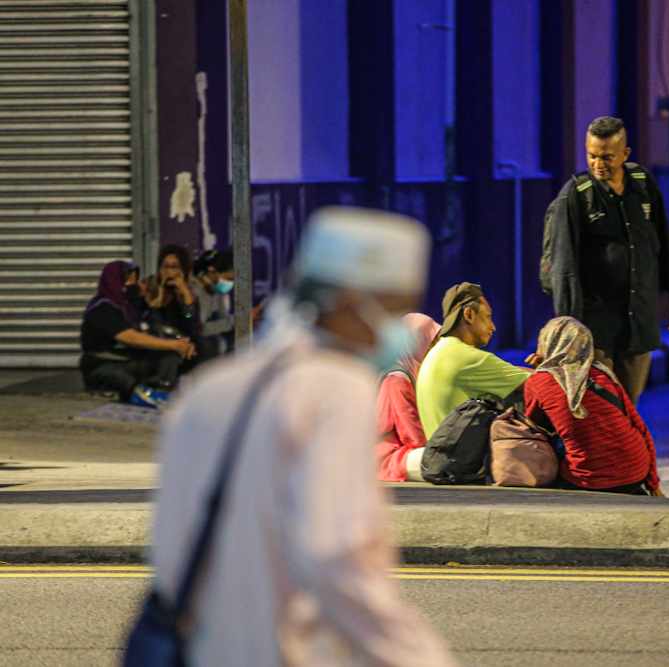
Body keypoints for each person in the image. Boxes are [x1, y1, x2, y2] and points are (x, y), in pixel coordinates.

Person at [151, 208, 456, 666]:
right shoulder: (335, 391)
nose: (401, 328)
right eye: (396, 307)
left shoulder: (209, 388)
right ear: (353, 300)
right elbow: (338, 560)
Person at [544, 115, 669, 403]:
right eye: (592, 156)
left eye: (607, 157)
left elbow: (664, 241)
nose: (598, 164)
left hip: (638, 323)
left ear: (625, 154)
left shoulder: (643, 185)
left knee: (629, 407)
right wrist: (567, 329)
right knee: (601, 409)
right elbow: (563, 268)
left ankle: (628, 450)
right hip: (596, 329)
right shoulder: (575, 196)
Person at [524, 316, 661, 495]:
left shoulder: (538, 382)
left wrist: (540, 369)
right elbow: (640, 428)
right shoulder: (604, 375)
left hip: (589, 479)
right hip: (636, 472)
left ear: (546, 344)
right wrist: (654, 485)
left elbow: (535, 426)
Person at [416, 282, 531, 439]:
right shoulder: (466, 357)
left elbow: (509, 373)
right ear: (469, 314)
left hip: (442, 458)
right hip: (468, 462)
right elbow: (539, 384)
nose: (493, 327)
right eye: (488, 317)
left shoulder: (439, 351)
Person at [79, 260, 196, 408]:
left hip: (133, 359)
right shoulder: (105, 307)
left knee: (183, 354)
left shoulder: (180, 299)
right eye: (130, 280)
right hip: (106, 364)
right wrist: (173, 342)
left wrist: (185, 295)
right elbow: (130, 336)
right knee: (122, 378)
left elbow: (190, 320)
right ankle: (145, 394)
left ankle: (162, 390)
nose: (135, 284)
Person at [375, 313, 441, 482]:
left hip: (403, 453)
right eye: (431, 341)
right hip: (389, 459)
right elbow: (412, 435)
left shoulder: (413, 374)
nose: (436, 349)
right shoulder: (397, 379)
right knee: (447, 462)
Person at [145, 244, 200, 345]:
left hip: (183, 343)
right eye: (165, 266)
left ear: (183, 270)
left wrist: (185, 293)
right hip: (158, 344)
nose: (168, 271)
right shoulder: (149, 286)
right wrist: (160, 296)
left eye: (174, 267)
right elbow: (151, 324)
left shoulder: (190, 290)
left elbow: (190, 322)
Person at [191, 248, 235, 359]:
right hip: (190, 341)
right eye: (228, 278)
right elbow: (200, 330)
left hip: (203, 338)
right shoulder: (194, 290)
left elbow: (224, 319)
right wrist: (236, 321)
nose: (230, 283)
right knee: (216, 344)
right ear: (212, 272)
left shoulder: (216, 290)